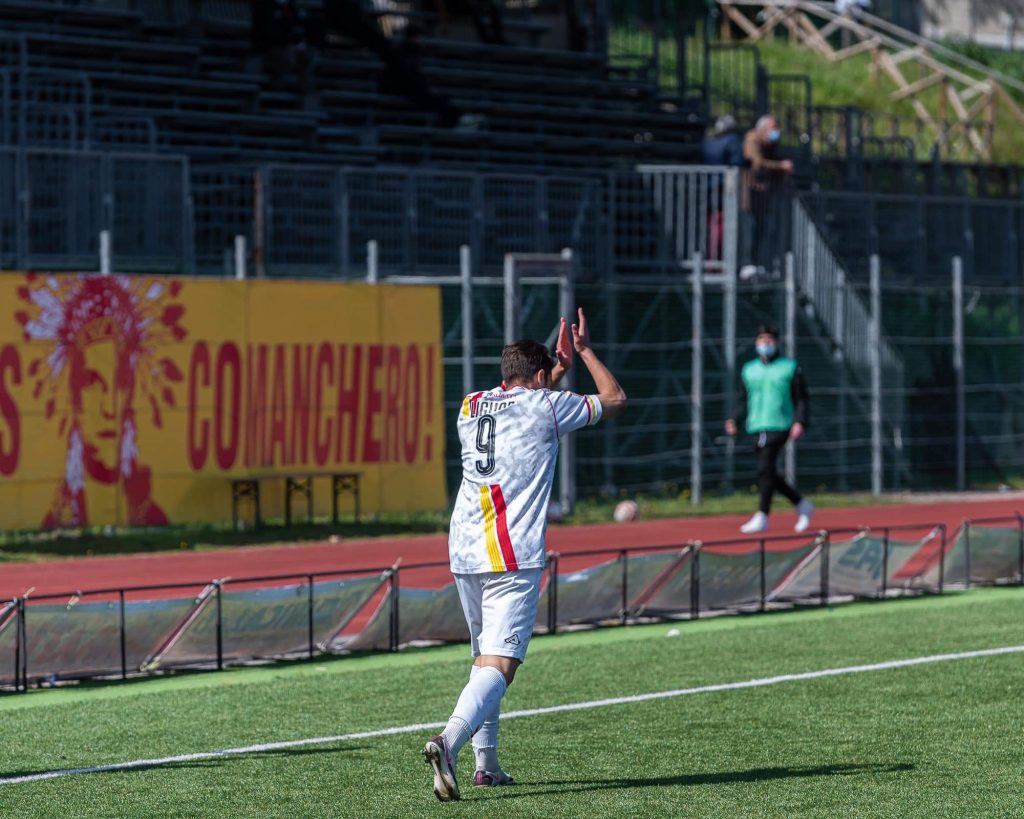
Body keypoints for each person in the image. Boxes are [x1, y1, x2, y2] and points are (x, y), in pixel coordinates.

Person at [422, 307, 626, 801]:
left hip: (465, 549)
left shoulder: (470, 406)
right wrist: (582, 352)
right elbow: (615, 398)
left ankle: (486, 765)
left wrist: (550, 374)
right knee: (501, 665)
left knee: (482, 659)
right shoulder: (548, 407)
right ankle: (448, 742)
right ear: (539, 378)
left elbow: (522, 401)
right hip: (513, 555)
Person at [724, 323, 813, 534]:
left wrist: (799, 422)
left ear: (777, 342)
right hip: (755, 425)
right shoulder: (749, 370)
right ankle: (801, 504)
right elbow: (743, 399)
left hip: (780, 424)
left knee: (764, 468)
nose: (765, 343)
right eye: (762, 339)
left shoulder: (789, 367)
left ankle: (762, 515)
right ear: (756, 343)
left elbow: (802, 399)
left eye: (769, 339)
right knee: (769, 472)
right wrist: (734, 419)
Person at [740, 114, 793, 280]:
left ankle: (758, 263)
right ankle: (746, 264)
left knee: (762, 229)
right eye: (773, 128)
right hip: (749, 194)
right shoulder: (752, 139)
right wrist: (780, 166)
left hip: (763, 194)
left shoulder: (770, 144)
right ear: (763, 129)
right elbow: (757, 162)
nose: (776, 132)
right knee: (750, 228)